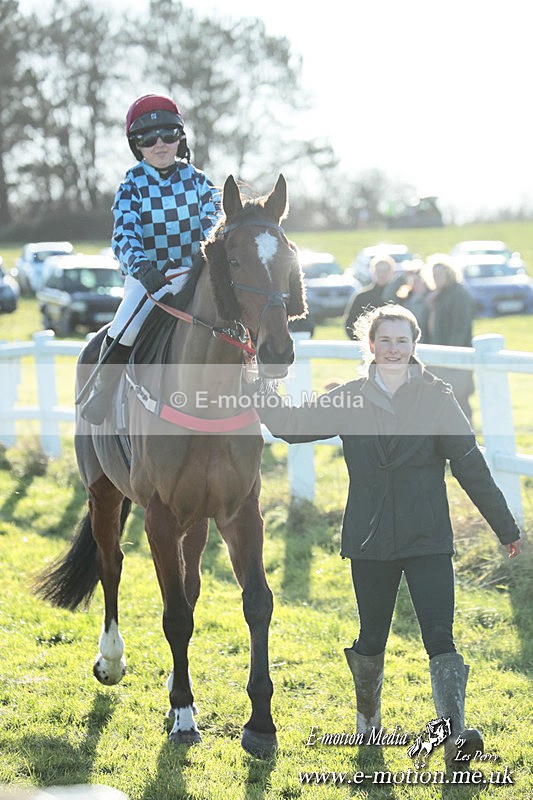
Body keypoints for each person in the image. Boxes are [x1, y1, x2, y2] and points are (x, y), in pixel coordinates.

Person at [247, 304, 521, 771]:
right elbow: (290, 427)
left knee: (441, 637)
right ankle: (368, 718)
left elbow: (469, 463)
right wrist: (258, 382)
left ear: (414, 346)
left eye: (402, 341)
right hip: (369, 539)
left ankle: (454, 739)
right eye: (385, 341)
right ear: (370, 346)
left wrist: (506, 528)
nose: (394, 349)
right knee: (372, 636)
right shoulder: (351, 397)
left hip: (428, 536)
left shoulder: (437, 396)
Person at [81, 93, 222, 424]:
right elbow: (123, 234)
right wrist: (143, 268)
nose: (160, 144)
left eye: (169, 135)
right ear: (137, 145)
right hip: (147, 279)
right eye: (148, 138)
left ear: (180, 138)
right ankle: (103, 392)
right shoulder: (131, 184)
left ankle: (255, 385)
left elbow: (214, 223)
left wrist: (198, 261)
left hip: (193, 273)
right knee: (124, 327)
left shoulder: (200, 182)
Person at [426, 254, 475, 424]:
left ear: (449, 273)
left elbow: (460, 327)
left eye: (440, 274)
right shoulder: (437, 295)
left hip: (455, 356)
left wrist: (450, 356)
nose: (436, 278)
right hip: (439, 355)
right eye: (433, 274)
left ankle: (469, 435)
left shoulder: (459, 293)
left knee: (460, 397)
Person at [344, 255, 404, 339]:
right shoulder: (361, 297)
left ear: (393, 272)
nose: (382, 274)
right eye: (379, 271)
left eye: (386, 271)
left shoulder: (401, 296)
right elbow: (350, 324)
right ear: (373, 272)